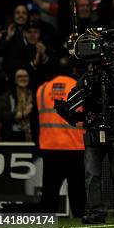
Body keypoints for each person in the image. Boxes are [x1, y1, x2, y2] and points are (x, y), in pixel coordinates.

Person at [36, 74, 85, 218]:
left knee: (50, 188)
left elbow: (37, 116)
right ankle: (79, 214)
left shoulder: (43, 89)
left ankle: (47, 217)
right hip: (75, 146)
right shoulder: (78, 87)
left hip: (50, 146)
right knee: (77, 188)